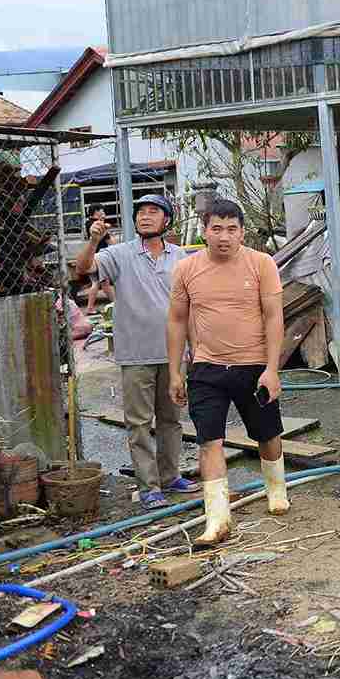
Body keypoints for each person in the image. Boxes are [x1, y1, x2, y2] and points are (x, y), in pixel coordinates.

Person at [166, 197, 286, 546]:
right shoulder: (186, 270)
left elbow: (274, 316)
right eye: (216, 228)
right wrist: (175, 372)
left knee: (267, 433)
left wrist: (272, 369)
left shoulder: (261, 264)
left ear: (242, 233)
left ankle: (276, 489)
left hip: (253, 366)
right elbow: (175, 321)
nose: (224, 236)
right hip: (206, 367)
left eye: (231, 229)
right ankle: (217, 518)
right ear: (204, 232)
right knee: (209, 440)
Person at [75, 193, 199, 509]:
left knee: (171, 420)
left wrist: (194, 349)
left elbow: (192, 305)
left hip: (174, 356)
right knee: (140, 423)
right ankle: (149, 487)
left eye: (153, 211)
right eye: (140, 212)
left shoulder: (181, 257)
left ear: (166, 220)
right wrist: (93, 241)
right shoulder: (119, 254)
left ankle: (170, 477)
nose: (145, 216)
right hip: (136, 355)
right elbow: (83, 267)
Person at [83, 209, 114, 314]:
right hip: (99, 256)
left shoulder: (88, 223)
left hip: (93, 256)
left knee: (104, 283)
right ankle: (90, 308)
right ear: (96, 212)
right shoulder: (98, 225)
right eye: (101, 211)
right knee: (96, 282)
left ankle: (117, 303)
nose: (103, 213)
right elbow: (110, 241)